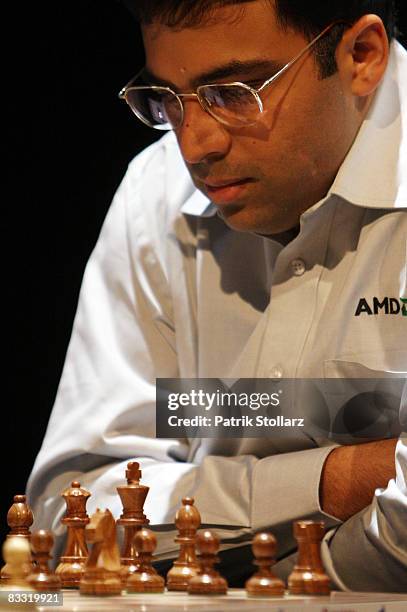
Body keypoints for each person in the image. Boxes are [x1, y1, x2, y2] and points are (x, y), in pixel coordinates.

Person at [27, 0, 406, 591]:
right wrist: (341, 479)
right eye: (166, 100)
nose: (194, 146)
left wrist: (266, 566)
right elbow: (75, 505)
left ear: (361, 55)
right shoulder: (155, 193)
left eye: (233, 91)